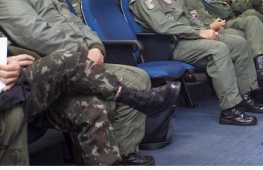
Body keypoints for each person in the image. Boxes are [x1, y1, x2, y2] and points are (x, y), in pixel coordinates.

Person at [0, 0, 158, 165]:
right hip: (48, 73)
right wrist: (83, 53)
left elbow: (79, 25)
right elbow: (37, 36)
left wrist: (95, 46)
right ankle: (126, 96)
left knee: (137, 77)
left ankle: (123, 153)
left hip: (79, 63)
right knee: (102, 89)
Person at [130, 0, 263, 126]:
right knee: (218, 49)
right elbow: (163, 26)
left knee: (238, 43)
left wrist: (206, 29)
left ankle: (245, 95)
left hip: (187, 38)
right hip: (170, 44)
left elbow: (188, 16)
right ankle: (229, 109)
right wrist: (200, 33)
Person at [0, 47, 180, 166]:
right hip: (12, 93)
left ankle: (107, 163)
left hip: (16, 90)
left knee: (91, 106)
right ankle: (130, 96)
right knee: (67, 58)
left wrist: (12, 60)